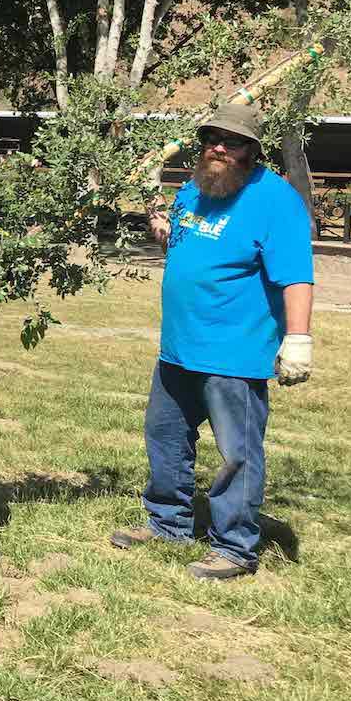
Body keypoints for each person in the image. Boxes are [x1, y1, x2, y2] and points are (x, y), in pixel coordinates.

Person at [110, 104, 314, 581]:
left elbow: (296, 276)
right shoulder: (194, 189)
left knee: (238, 453)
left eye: (233, 141)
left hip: (234, 353)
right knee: (165, 438)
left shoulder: (275, 200)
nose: (220, 148)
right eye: (212, 139)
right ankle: (168, 524)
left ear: (252, 150)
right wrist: (155, 211)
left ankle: (235, 547)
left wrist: (299, 338)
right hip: (178, 347)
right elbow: (180, 242)